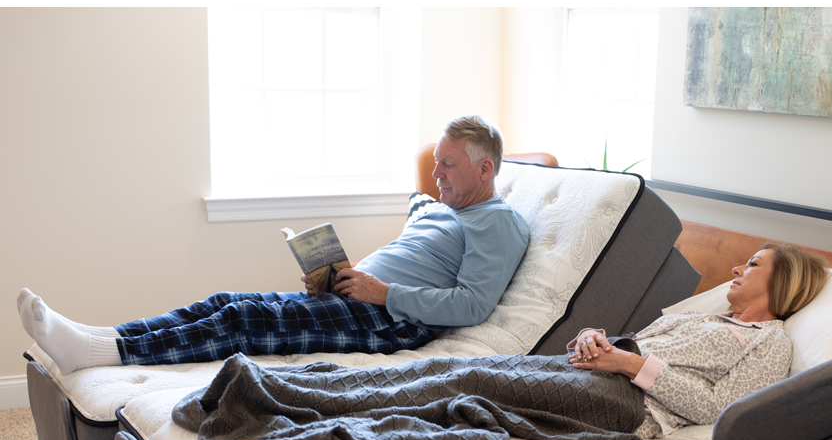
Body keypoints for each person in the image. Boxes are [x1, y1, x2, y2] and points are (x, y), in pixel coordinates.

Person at [18, 114, 531, 374]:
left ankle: (102, 354)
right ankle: (102, 337)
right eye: (436, 162)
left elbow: (472, 304)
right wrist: (339, 275)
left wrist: (382, 293)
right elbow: (416, 262)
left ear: (485, 169)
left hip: (391, 322)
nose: (436, 174)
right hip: (359, 300)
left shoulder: (497, 223)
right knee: (225, 301)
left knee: (243, 322)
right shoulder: (442, 208)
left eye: (448, 165)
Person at [566, 241, 830, 438]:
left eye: (753, 264)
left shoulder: (771, 341)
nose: (736, 269)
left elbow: (721, 410)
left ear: (782, 281)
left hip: (626, 403)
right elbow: (636, 345)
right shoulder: (697, 317)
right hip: (583, 373)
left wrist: (632, 365)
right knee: (535, 375)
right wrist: (594, 338)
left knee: (538, 393)